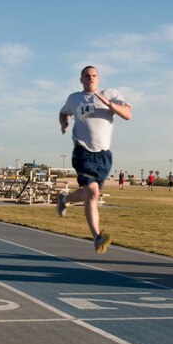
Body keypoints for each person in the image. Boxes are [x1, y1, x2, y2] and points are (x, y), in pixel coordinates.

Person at [57, 66, 131, 254]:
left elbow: (127, 114)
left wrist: (109, 104)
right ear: (81, 79)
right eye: (87, 76)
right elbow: (63, 112)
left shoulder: (110, 94)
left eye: (94, 76)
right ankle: (97, 237)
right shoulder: (74, 98)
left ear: (98, 79)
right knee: (92, 193)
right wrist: (64, 122)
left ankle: (64, 199)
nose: (90, 78)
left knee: (91, 195)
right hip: (82, 151)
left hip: (104, 155)